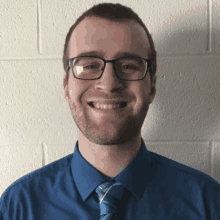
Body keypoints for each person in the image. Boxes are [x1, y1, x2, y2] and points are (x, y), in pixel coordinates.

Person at [0, 3, 220, 220]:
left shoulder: (207, 202)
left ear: (152, 86)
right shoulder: (18, 206)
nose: (109, 83)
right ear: (66, 86)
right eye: (89, 65)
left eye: (128, 66)